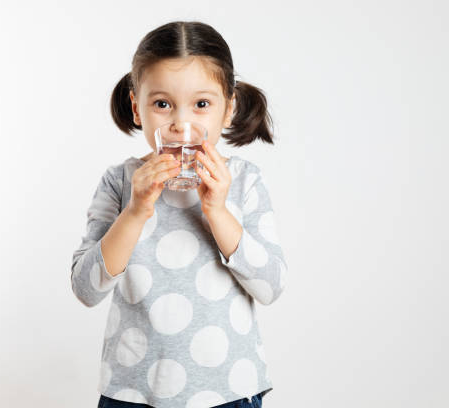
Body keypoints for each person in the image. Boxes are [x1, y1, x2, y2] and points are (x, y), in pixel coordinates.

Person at [71, 20, 288, 408]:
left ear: (228, 109)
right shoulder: (120, 183)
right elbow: (86, 289)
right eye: (162, 104)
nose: (180, 124)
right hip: (133, 393)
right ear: (137, 107)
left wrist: (218, 210)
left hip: (228, 390)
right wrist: (136, 210)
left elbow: (271, 286)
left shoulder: (244, 182)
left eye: (201, 105)